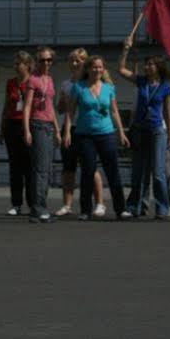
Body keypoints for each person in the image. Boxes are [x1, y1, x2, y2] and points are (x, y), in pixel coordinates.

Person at [62, 55, 130, 220]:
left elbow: (114, 111)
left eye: (100, 67)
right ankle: (85, 210)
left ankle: (121, 209)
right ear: (87, 69)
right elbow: (70, 111)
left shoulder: (108, 88)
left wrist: (121, 132)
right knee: (87, 172)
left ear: (103, 69)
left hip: (106, 134)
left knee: (113, 172)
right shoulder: (78, 87)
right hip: (84, 136)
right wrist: (66, 132)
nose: (97, 70)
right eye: (94, 67)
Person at [118, 37, 170, 219]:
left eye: (150, 65)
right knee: (138, 171)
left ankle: (163, 208)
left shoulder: (165, 87)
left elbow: (167, 112)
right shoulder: (141, 82)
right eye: (146, 64)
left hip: (158, 130)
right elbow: (121, 70)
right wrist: (125, 50)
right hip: (140, 129)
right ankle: (133, 206)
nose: (146, 67)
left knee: (158, 172)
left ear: (158, 67)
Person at [56, 48, 104, 217]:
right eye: (72, 61)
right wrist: (62, 101)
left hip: (87, 129)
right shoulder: (65, 84)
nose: (75, 64)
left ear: (86, 63)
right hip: (69, 128)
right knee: (68, 168)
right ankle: (67, 204)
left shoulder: (89, 83)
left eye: (79, 60)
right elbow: (60, 110)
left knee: (90, 168)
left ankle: (99, 203)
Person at [22, 46, 61, 223]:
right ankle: (38, 208)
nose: (46, 63)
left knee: (46, 170)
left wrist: (57, 130)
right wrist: (27, 130)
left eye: (49, 60)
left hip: (48, 126)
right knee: (40, 170)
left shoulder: (50, 79)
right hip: (37, 125)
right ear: (36, 62)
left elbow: (51, 106)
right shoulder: (33, 80)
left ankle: (39, 207)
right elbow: (27, 106)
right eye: (42, 60)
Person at [1, 51, 35, 216]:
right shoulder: (11, 83)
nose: (15, 67)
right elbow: (6, 106)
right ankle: (16, 204)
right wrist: (2, 128)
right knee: (15, 167)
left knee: (29, 166)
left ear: (27, 65)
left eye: (18, 64)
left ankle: (32, 203)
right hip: (12, 125)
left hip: (28, 125)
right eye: (14, 64)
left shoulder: (33, 82)